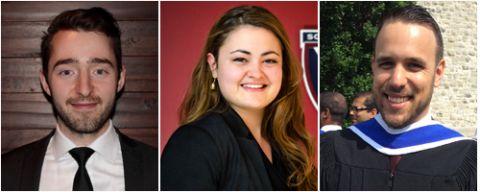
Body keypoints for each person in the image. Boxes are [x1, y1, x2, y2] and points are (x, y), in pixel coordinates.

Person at [161, 5, 317, 190]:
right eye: (240, 59)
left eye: (269, 60)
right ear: (214, 65)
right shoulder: (195, 143)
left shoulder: (288, 151)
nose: (256, 73)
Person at [321, 5, 476, 190]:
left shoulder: (467, 160)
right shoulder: (330, 151)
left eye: (414, 65)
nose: (397, 81)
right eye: (386, 63)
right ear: (373, 66)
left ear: (438, 73)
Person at [1, 7, 158, 191]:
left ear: (120, 78)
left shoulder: (158, 169)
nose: (84, 89)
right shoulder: (6, 173)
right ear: (45, 82)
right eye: (67, 72)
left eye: (99, 71)